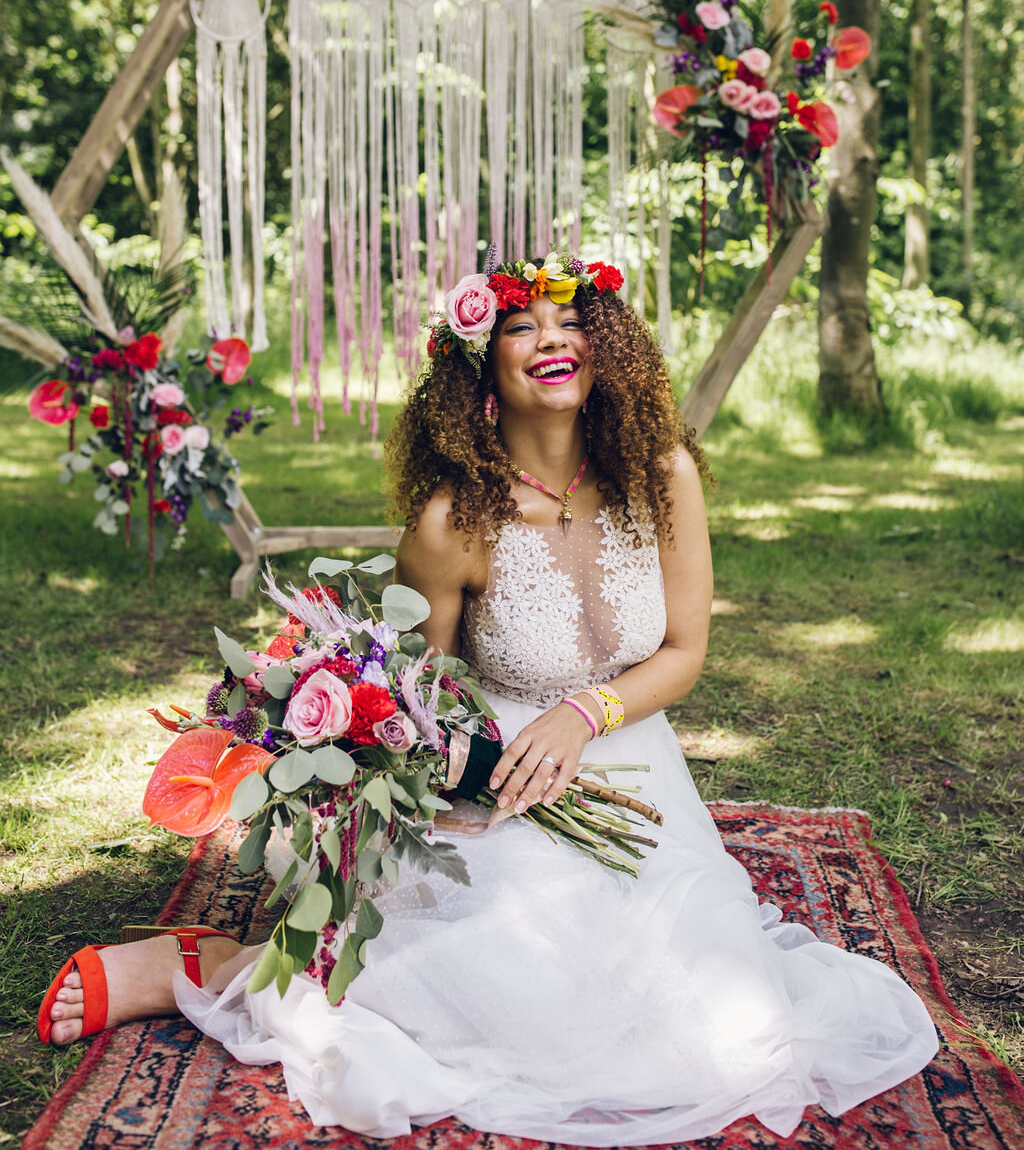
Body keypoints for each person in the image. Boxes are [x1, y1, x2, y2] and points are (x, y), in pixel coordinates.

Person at [39, 252, 939, 1143]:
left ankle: (242, 963)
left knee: (715, 1025)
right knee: (500, 983)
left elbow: (684, 651)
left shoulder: (666, 476)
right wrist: (463, 788)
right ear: (481, 367)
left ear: (606, 346)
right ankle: (205, 968)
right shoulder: (448, 524)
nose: (552, 339)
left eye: (570, 320)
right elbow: (417, 703)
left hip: (636, 768)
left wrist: (586, 712)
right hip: (495, 776)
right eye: (520, 325)